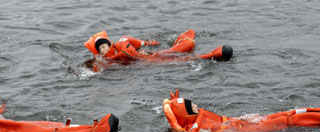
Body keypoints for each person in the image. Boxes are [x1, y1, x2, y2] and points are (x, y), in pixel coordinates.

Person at [163, 90, 320, 132]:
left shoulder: (197, 118)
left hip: (241, 122)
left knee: (283, 114)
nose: (195, 105)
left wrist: (174, 104)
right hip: (244, 131)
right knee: (283, 121)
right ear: (186, 113)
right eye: (191, 105)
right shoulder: (193, 128)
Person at [84, 29, 232, 63]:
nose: (104, 50)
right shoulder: (106, 62)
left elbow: (133, 41)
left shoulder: (121, 45)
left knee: (185, 48)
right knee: (182, 60)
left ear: (109, 44)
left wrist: (147, 43)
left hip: (152, 58)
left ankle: (215, 54)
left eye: (104, 46)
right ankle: (215, 54)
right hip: (149, 65)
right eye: (101, 49)